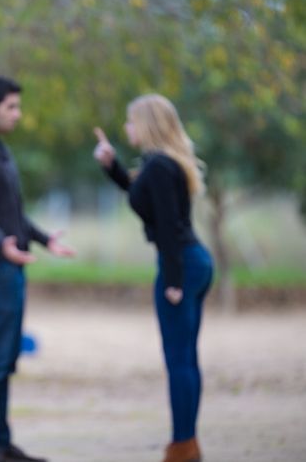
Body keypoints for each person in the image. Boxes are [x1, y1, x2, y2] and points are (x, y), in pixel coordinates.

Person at [0, 76, 74, 462]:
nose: (18, 115)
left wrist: (43, 239)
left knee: (5, 361)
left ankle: (1, 443)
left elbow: (12, 212)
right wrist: (1, 243)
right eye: (12, 107)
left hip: (8, 267)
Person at [93, 94, 213, 462]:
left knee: (178, 358)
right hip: (192, 260)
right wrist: (112, 166)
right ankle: (187, 443)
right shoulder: (160, 165)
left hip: (181, 263)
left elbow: (167, 225)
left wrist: (173, 280)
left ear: (147, 125)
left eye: (131, 121)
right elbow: (140, 196)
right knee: (186, 357)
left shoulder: (159, 166)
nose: (127, 128)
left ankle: (182, 445)